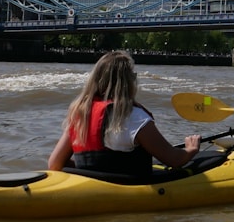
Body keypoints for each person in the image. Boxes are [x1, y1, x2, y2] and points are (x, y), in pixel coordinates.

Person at [47, 50, 201, 177]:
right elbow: (173, 159)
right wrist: (190, 149)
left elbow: (54, 164)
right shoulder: (134, 116)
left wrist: (86, 170)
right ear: (128, 82)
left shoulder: (80, 114)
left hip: (90, 185)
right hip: (130, 188)